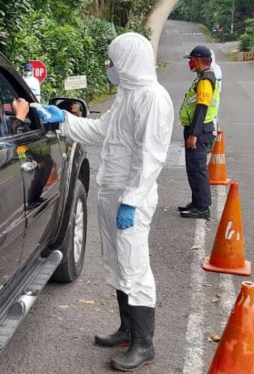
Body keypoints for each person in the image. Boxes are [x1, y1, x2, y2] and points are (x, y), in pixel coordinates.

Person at [37, 32, 174, 371]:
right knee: (116, 261)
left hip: (131, 199)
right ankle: (127, 329)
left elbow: (151, 157)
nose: (109, 66)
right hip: (112, 192)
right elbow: (100, 131)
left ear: (128, 60)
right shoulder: (128, 96)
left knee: (135, 265)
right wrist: (63, 119)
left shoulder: (152, 98)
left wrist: (132, 200)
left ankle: (144, 343)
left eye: (113, 60)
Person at [178, 45, 220, 219]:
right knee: (193, 168)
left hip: (200, 131)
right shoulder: (202, 77)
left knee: (197, 169)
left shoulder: (205, 80)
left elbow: (202, 107)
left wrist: (194, 134)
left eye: (192, 59)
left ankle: (202, 207)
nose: (190, 62)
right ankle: (197, 202)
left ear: (199, 59)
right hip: (198, 129)